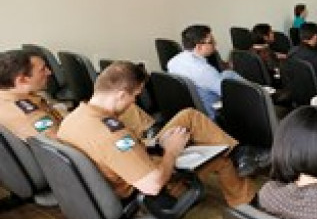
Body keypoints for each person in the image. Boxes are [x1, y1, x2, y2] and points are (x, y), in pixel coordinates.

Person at [57, 61, 259, 207]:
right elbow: (152, 185)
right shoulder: (111, 134)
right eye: (135, 96)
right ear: (120, 95)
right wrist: (171, 150)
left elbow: (117, 154)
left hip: (132, 161)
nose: (134, 103)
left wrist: (154, 142)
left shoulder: (74, 117)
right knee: (222, 161)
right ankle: (246, 201)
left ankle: (237, 152)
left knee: (188, 116)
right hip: (148, 188)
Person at [167, 24, 243, 120]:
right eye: (211, 41)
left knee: (227, 74)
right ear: (199, 47)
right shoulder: (203, 70)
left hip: (192, 109)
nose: (215, 43)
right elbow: (229, 94)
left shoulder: (173, 61)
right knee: (233, 79)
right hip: (211, 113)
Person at [0, 49, 64, 140]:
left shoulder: (5, 96)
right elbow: (62, 143)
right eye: (42, 70)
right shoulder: (33, 116)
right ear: (22, 80)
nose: (49, 72)